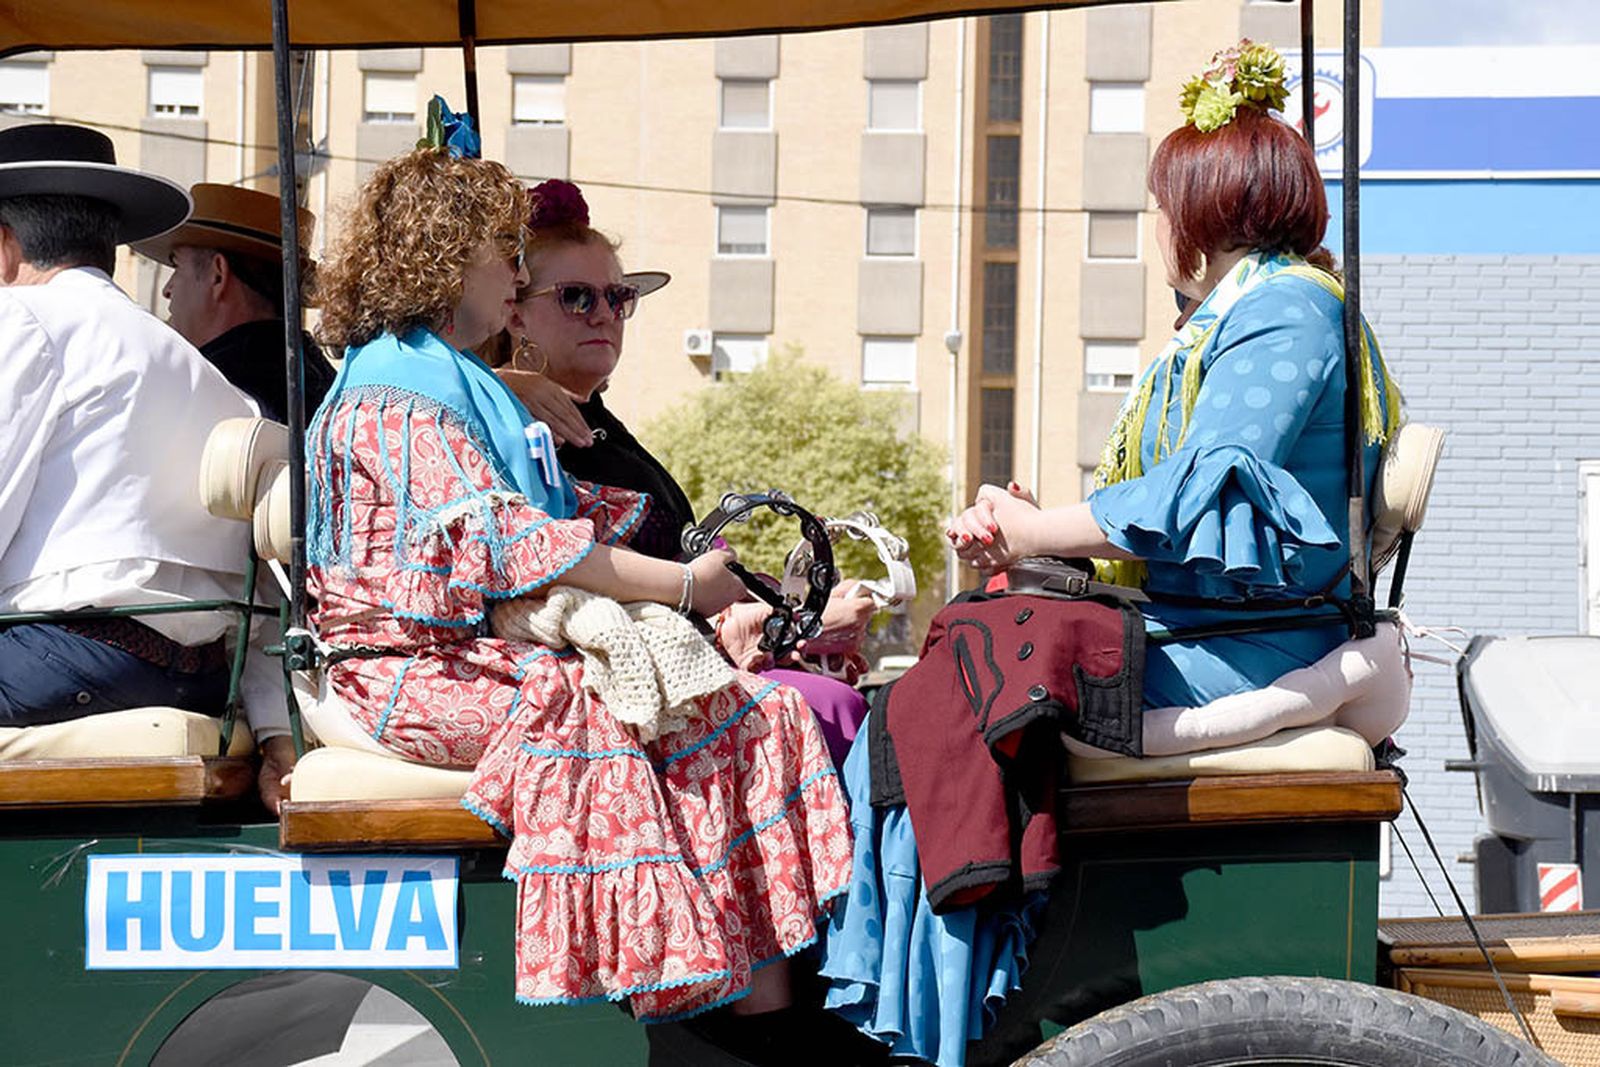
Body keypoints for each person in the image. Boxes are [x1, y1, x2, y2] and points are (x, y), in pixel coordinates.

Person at [304, 134, 852, 1027]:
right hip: (406, 667)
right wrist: (682, 588)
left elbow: (543, 529)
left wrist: (692, 576)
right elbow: (518, 546)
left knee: (735, 708)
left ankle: (750, 1003)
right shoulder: (400, 391)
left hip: (458, 651)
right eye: (502, 256)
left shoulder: (439, 377)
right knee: (673, 713)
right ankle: (703, 1000)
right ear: (452, 259)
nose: (513, 278)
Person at [947, 40, 1404, 716]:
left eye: (1161, 207)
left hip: (1254, 642)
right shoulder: (1264, 306)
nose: (1157, 226)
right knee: (959, 652)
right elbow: (1187, 506)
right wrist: (1044, 526)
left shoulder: (1285, 308)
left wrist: (1035, 533)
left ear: (1204, 210)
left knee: (957, 686)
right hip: (1215, 629)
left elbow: (1194, 497)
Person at [490, 178, 877, 766]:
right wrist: (500, 383)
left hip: (674, 659)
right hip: (613, 679)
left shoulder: (598, 422)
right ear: (514, 315)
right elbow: (555, 571)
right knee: (831, 709)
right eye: (576, 297)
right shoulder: (512, 422)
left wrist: (785, 612)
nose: (604, 314)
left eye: (617, 298)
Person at [0, 125, 273, 745]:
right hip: (200, 679)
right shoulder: (205, 373)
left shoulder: (19, 316)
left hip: (60, 660)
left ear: (4, 247)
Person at [134, 182, 336, 422]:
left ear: (218, 274)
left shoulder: (203, 387)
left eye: (177, 266)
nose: (168, 289)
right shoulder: (322, 380)